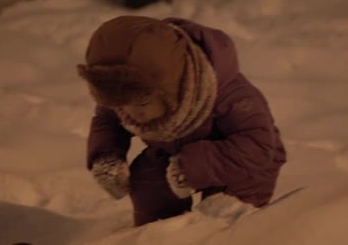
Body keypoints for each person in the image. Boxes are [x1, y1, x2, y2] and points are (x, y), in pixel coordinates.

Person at [77, 15, 286, 226]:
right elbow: (107, 119)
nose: (130, 114)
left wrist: (191, 167)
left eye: (141, 104)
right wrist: (107, 156)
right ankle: (156, 234)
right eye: (120, 105)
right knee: (148, 182)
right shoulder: (128, 96)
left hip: (242, 161)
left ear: (171, 89)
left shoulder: (227, 94)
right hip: (173, 154)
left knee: (225, 215)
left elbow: (258, 146)